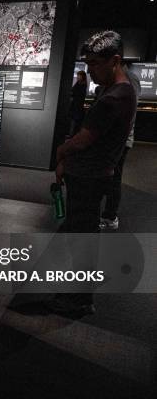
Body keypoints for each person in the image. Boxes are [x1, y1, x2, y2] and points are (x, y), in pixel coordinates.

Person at [51, 30, 137, 315]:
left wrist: (62, 152)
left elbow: (84, 139)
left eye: (94, 64)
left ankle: (78, 299)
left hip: (89, 179)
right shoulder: (117, 92)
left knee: (81, 238)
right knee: (79, 234)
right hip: (91, 176)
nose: (90, 70)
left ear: (115, 60)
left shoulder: (115, 97)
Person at [100, 66, 140, 230]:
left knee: (113, 178)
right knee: (110, 177)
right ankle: (108, 214)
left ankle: (110, 216)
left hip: (119, 140)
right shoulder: (128, 79)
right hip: (117, 139)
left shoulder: (126, 80)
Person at [69, 70, 88, 136]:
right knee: (74, 121)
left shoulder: (82, 85)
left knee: (75, 122)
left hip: (78, 106)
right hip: (76, 106)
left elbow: (75, 93)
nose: (77, 77)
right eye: (78, 75)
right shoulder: (79, 84)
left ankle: (72, 135)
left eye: (79, 75)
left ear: (82, 76)